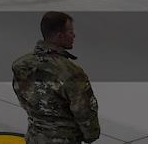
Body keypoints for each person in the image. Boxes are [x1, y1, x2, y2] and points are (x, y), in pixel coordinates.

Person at [11, 11, 100, 144]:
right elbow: (85, 112)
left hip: (34, 138)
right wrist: (90, 135)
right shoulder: (72, 72)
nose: (74, 35)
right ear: (60, 36)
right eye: (70, 32)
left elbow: (24, 100)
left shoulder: (20, 65)